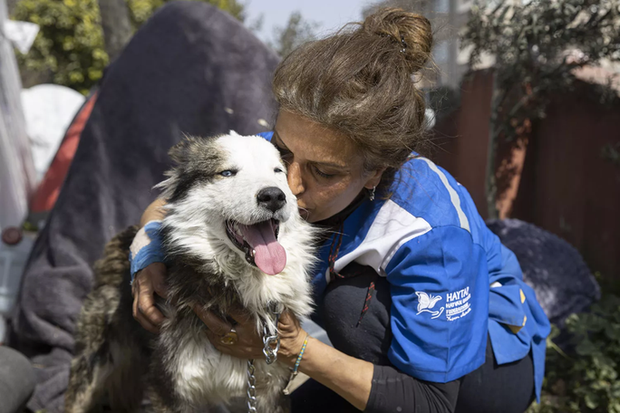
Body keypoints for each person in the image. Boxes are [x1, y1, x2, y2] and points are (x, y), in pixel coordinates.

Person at [130, 8, 550, 413]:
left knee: (349, 304)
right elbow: (180, 197)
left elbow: (434, 401)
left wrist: (291, 349)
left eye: (323, 172)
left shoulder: (431, 232)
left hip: (484, 368)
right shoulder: (298, 145)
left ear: (374, 173)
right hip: (373, 360)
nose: (288, 187)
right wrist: (147, 254)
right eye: (282, 153)